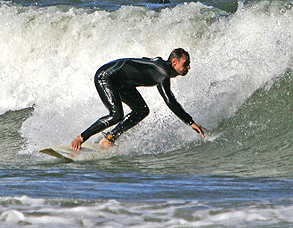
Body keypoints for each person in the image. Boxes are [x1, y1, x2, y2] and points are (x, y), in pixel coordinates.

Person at [70, 48, 205, 151]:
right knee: (116, 115)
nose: (188, 67)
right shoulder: (162, 73)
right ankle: (80, 138)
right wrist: (190, 122)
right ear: (174, 62)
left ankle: (109, 139)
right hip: (106, 77)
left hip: (122, 82)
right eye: (186, 63)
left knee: (142, 110)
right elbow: (170, 100)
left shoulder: (160, 66)